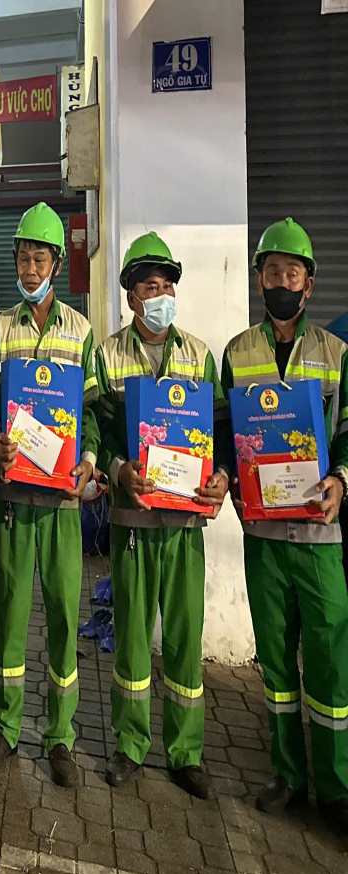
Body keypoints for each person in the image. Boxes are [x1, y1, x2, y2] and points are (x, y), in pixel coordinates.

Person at [94, 232, 230, 800]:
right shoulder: (107, 355)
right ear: (130, 297)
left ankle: (185, 751)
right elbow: (96, 430)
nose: (161, 294)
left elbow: (221, 430)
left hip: (184, 527)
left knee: (183, 636)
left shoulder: (199, 355)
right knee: (130, 639)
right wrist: (119, 468)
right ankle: (130, 745)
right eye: (150, 286)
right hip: (132, 523)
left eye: (167, 285)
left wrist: (221, 474)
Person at [222, 218, 348, 827]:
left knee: (328, 659)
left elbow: (347, 433)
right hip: (263, 536)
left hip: (320, 535)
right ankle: (287, 775)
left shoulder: (335, 354)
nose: (279, 282)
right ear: (258, 280)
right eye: (270, 272)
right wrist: (230, 485)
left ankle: (335, 786)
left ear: (308, 284)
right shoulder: (237, 352)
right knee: (276, 664)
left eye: (289, 273)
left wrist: (341, 480)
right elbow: (222, 432)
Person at [0, 202, 98, 787]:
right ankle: (5, 726)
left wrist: (92, 458)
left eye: (39, 257)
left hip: (63, 506)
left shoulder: (81, 331)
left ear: (56, 261)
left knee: (61, 617)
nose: (30, 268)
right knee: (11, 614)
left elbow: (95, 412)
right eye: (23, 257)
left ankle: (61, 735)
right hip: (14, 502)